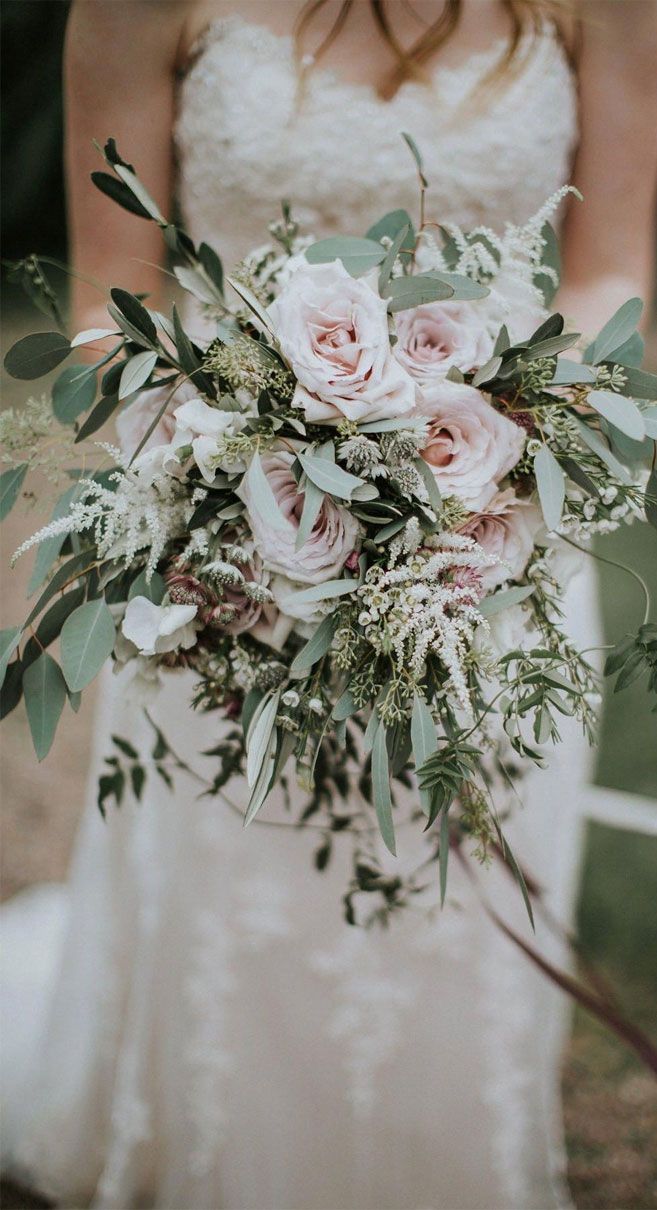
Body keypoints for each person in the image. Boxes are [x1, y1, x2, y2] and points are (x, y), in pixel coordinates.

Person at [2, 2, 656, 1207]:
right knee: (237, 867)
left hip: (494, 536)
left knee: (452, 887)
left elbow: (615, 260)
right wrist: (211, 476)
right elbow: (108, 301)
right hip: (228, 543)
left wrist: (505, 458)